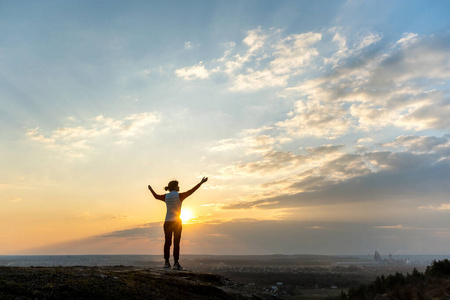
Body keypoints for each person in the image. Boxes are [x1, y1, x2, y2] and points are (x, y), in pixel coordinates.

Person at [148, 177, 208, 270]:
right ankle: (176, 263)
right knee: (176, 243)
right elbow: (192, 191)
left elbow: (156, 196)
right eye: (178, 186)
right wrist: (201, 183)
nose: (179, 187)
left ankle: (167, 262)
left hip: (167, 222)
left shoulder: (166, 196)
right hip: (177, 222)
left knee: (167, 243)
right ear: (175, 187)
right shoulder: (180, 196)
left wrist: (151, 189)